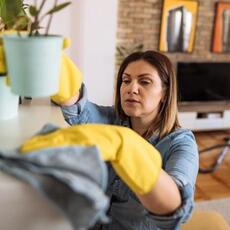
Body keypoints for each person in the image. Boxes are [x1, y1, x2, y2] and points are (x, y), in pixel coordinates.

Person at [24, 50, 199, 229]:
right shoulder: (111, 119)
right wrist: (52, 63)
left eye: (144, 82)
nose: (132, 88)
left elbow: (173, 206)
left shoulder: (181, 144)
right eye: (126, 80)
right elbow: (78, 107)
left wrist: (129, 149)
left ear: (165, 92)